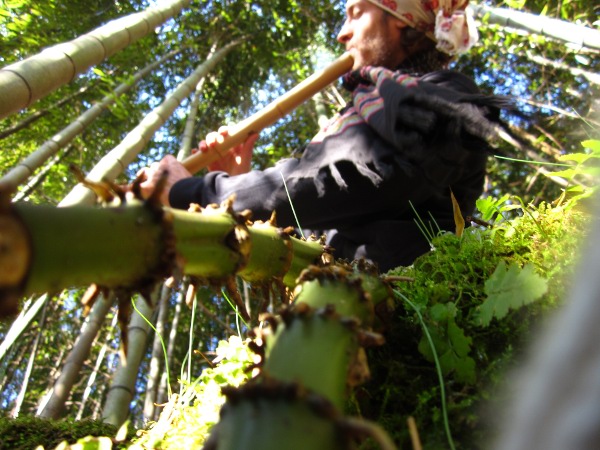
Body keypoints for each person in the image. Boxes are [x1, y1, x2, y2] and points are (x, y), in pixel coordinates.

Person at [138, 0, 507, 272]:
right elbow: (311, 230)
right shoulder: (366, 108)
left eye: (356, 13)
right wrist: (235, 187)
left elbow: (357, 178)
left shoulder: (441, 94)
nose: (342, 33)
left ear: (400, 21)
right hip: (334, 322)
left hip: (400, 320)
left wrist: (202, 192)